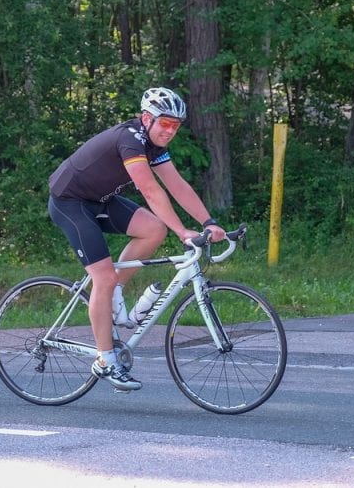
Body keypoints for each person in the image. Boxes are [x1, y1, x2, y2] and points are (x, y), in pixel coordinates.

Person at [48, 87, 226, 391]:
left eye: (175, 127)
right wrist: (183, 231)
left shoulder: (156, 146)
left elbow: (177, 185)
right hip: (70, 202)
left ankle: (116, 291)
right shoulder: (130, 139)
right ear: (147, 118)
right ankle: (106, 360)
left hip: (100, 200)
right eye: (165, 124)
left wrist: (208, 221)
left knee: (154, 229)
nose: (170, 131)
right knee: (101, 279)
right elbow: (150, 190)